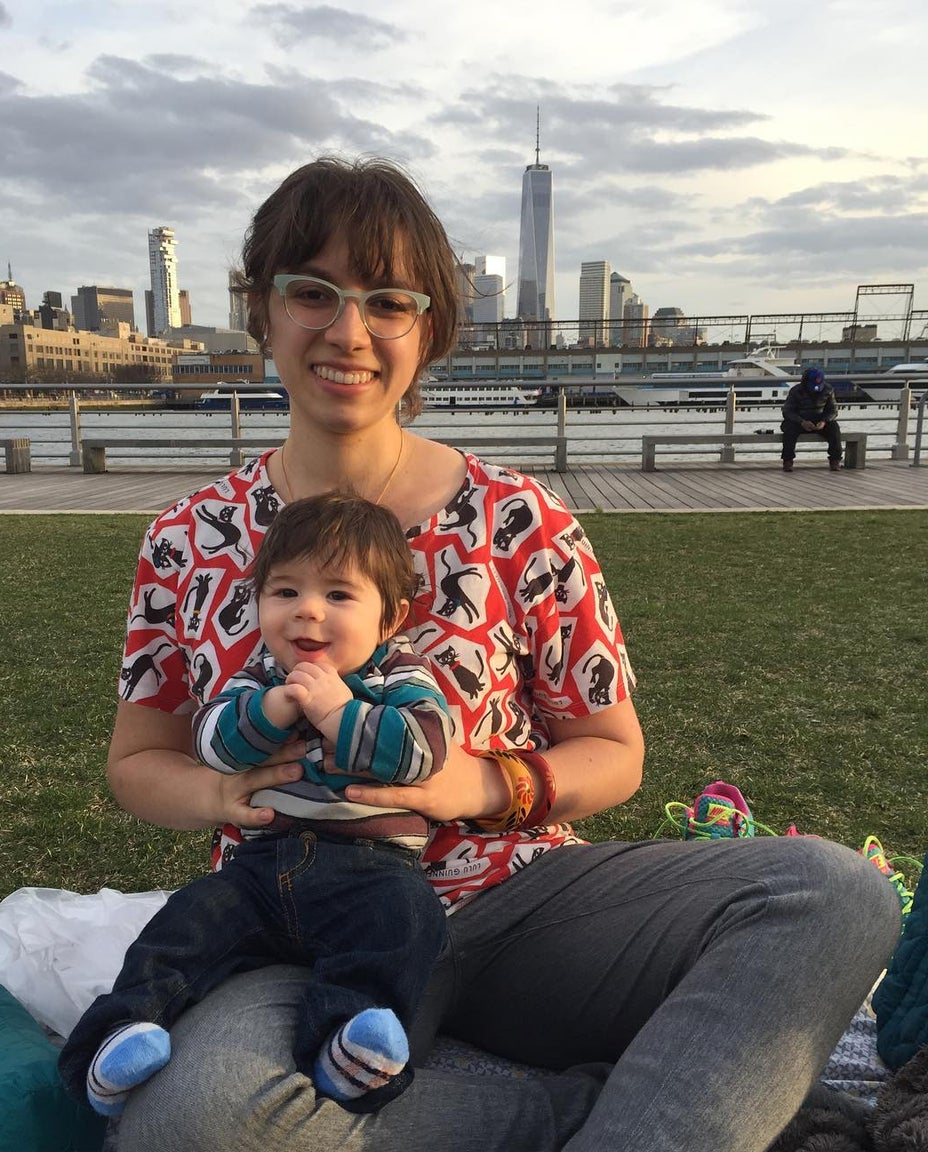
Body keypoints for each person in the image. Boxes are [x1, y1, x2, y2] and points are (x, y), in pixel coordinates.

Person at [102, 157, 900, 1152]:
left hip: (525, 905)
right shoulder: (189, 536)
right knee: (192, 1124)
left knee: (833, 893)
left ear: (427, 331)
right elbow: (140, 761)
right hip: (295, 920)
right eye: (313, 293)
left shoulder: (520, 518)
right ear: (258, 308)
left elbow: (613, 749)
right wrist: (219, 801)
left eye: (388, 302)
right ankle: (608, 1111)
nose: (348, 332)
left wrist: (475, 786)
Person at [59, 493, 452, 1115]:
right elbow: (214, 742)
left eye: (339, 596)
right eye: (285, 593)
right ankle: (116, 1040)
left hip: (373, 869)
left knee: (405, 926)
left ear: (391, 617)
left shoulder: (399, 677)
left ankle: (342, 1045)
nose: (307, 614)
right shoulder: (261, 677)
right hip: (262, 866)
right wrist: (272, 711)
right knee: (183, 927)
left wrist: (336, 712)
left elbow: (423, 750)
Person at [781, 367, 844, 471]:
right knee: (789, 430)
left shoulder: (828, 389)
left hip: (820, 420)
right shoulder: (795, 391)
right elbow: (787, 411)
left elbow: (833, 410)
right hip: (799, 421)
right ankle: (788, 460)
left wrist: (824, 421)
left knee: (834, 428)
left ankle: (835, 460)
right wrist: (801, 422)